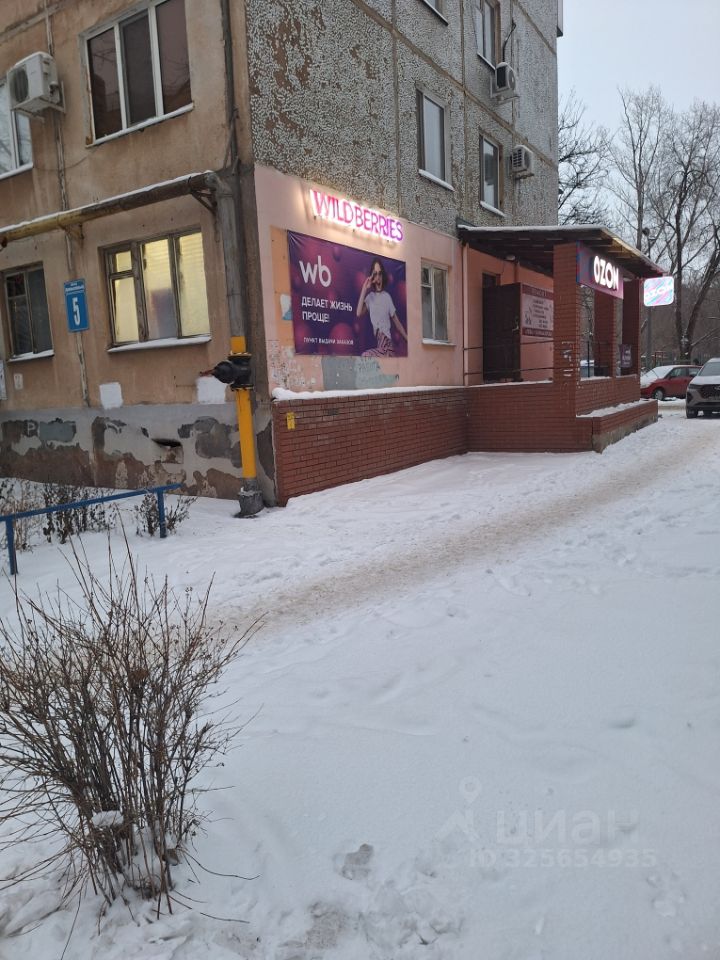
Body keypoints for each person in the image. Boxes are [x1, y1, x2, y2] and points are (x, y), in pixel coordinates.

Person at [356, 258, 408, 357]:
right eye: (375, 274)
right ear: (372, 276)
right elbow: (358, 313)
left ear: (383, 275)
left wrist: (407, 339)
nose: (378, 277)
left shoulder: (386, 297)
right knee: (366, 357)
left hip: (387, 346)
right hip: (380, 345)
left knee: (365, 355)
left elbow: (397, 323)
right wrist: (364, 288)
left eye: (380, 273)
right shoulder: (370, 297)